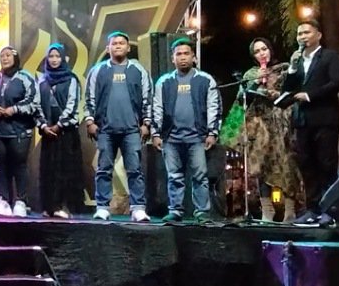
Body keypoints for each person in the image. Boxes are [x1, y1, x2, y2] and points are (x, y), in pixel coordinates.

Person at [83, 31, 152, 222]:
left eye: (122, 43)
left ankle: (138, 208)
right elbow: (89, 97)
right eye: (114, 43)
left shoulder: (138, 70)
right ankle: (102, 207)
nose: (118, 46)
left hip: (131, 130)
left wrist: (146, 123)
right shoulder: (98, 71)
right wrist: (90, 121)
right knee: (104, 169)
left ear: (128, 48)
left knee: (135, 170)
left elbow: (148, 97)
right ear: (108, 48)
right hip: (105, 130)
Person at [152, 38, 221, 222]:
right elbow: (157, 107)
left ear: (194, 57)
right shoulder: (164, 82)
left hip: (197, 137)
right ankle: (175, 211)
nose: (182, 57)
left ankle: (202, 212)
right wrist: (156, 133)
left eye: (186, 53)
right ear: (172, 58)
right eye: (178, 54)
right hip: (171, 138)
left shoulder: (205, 80)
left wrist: (212, 132)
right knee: (174, 176)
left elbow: (214, 106)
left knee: (200, 176)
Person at [284, 19, 339, 224]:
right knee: (307, 165)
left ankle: (331, 210)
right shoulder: (298, 61)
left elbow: (337, 82)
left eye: (306, 32)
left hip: (325, 118)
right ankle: (312, 209)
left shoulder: (330, 56)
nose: (302, 37)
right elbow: (288, 88)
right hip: (303, 121)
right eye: (299, 34)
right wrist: (292, 68)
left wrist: (310, 95)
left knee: (326, 164)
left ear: (318, 35)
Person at [239, 37, 303, 221]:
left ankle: (290, 211)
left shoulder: (283, 69)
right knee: (261, 167)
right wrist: (256, 82)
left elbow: (292, 91)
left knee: (287, 166)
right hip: (260, 127)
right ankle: (267, 211)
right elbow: (241, 99)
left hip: (282, 124)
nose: (261, 53)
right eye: (257, 51)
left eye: (264, 49)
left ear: (270, 50)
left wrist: (273, 93)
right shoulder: (251, 74)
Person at [0, 46, 39, 217]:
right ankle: (3, 200)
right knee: (1, 167)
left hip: (20, 131)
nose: (5, 58)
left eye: (8, 55)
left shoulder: (26, 78)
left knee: (19, 166)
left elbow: (34, 101)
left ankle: (21, 201)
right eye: (2, 55)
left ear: (15, 58)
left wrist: (14, 109)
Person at [37, 43, 83, 218]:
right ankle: (49, 206)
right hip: (48, 133)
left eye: (57, 56)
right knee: (48, 170)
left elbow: (72, 104)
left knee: (65, 170)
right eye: (51, 56)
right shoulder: (42, 80)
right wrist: (44, 126)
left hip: (66, 133)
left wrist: (59, 125)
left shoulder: (71, 79)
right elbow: (37, 105)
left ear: (63, 58)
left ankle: (63, 206)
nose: (54, 60)